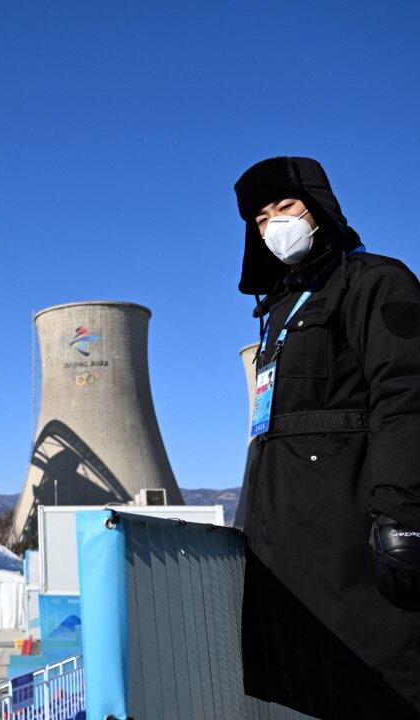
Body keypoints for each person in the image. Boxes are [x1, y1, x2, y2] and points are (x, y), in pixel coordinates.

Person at [234, 156, 420, 718]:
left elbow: (407, 394)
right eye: (261, 218)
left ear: (318, 207)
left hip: (348, 537)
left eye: (286, 207)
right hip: (287, 543)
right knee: (312, 686)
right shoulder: (279, 309)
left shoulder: (376, 282)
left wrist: (403, 512)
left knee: (377, 683)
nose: (274, 226)